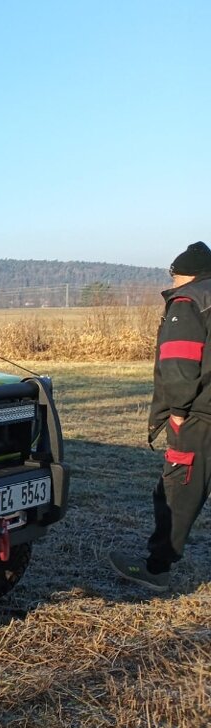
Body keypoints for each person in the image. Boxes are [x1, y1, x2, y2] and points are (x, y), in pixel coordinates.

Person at [110, 241, 211, 590]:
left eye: (173, 275)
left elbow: (180, 362)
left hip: (198, 416)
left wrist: (178, 412)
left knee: (176, 492)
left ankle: (156, 570)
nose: (172, 281)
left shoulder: (187, 302)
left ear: (185, 274)